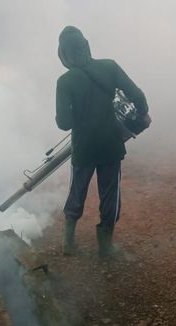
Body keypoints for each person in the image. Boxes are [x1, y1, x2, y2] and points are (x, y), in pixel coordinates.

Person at [55, 26, 150, 257]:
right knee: (110, 193)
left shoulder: (65, 81)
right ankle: (105, 247)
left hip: (83, 147)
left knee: (77, 190)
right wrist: (143, 114)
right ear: (86, 45)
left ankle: (68, 242)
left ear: (63, 54)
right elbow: (137, 95)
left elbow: (64, 123)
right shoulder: (109, 66)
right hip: (111, 144)